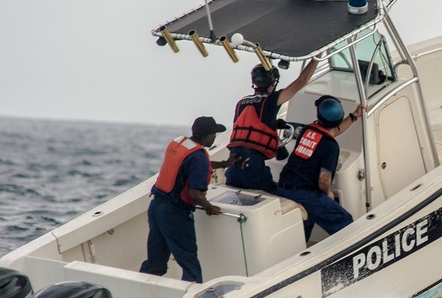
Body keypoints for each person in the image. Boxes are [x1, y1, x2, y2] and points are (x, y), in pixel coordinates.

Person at [140, 116, 234, 283]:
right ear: (206, 137)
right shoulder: (198, 157)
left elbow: (193, 165)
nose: (214, 138)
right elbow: (195, 194)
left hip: (156, 207)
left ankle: (139, 293)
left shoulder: (182, 143)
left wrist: (224, 164)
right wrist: (210, 207)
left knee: (155, 264)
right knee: (190, 264)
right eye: (213, 134)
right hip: (174, 213)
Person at [275, 95, 365, 240]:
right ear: (338, 118)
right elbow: (324, 180)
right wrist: (327, 193)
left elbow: (333, 131)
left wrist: (354, 116)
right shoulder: (331, 147)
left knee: (306, 223)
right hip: (305, 194)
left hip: (284, 186)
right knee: (344, 221)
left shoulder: (307, 130)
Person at [225, 58, 319, 192]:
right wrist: (317, 58)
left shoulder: (241, 102)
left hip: (234, 167)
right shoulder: (270, 100)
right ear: (273, 82)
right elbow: (302, 80)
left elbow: (249, 126)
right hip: (253, 167)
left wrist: (273, 124)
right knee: (280, 197)